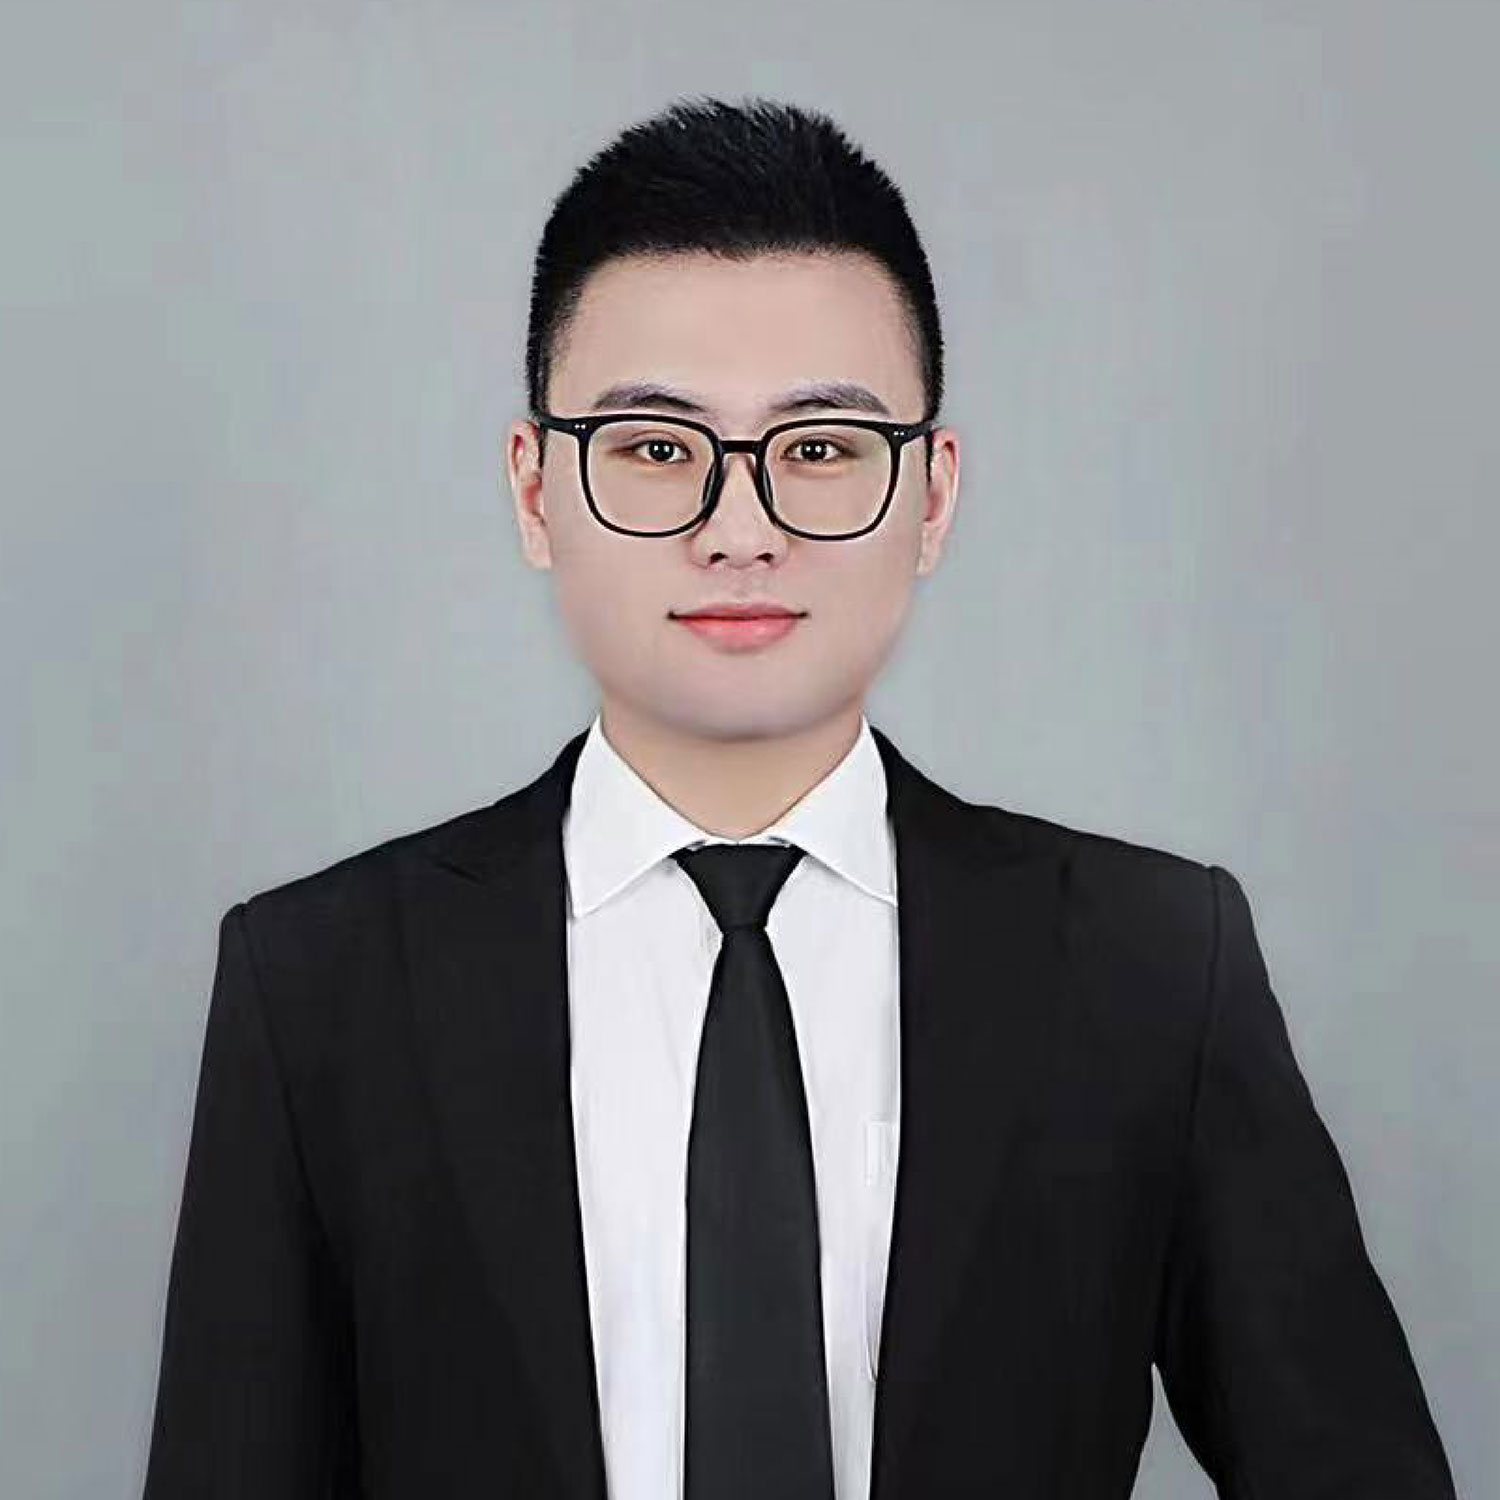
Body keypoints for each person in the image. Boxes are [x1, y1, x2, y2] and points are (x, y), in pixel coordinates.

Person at [142, 95, 1456, 1500]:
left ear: (932, 495)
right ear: (536, 491)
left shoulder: (1148, 963)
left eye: (820, 449)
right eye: (657, 449)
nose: (740, 524)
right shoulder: (321, 986)